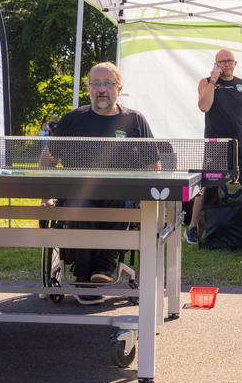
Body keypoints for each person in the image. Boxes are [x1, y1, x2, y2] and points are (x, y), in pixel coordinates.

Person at [40, 62, 159, 304]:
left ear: (118, 88)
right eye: (96, 83)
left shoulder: (135, 120)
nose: (102, 89)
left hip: (121, 197)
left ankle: (103, 269)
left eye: (107, 83)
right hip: (77, 195)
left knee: (118, 202)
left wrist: (147, 199)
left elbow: (152, 165)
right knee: (79, 204)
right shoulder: (72, 120)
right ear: (88, 89)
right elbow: (48, 159)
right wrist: (46, 195)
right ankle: (84, 275)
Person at [186, 49, 242, 245]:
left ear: (235, 64)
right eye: (222, 62)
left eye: (229, 61)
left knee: (235, 184)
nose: (226, 64)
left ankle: (231, 227)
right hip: (215, 144)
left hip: (238, 143)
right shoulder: (206, 82)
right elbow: (204, 106)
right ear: (216, 64)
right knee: (207, 184)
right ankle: (192, 227)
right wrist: (213, 80)